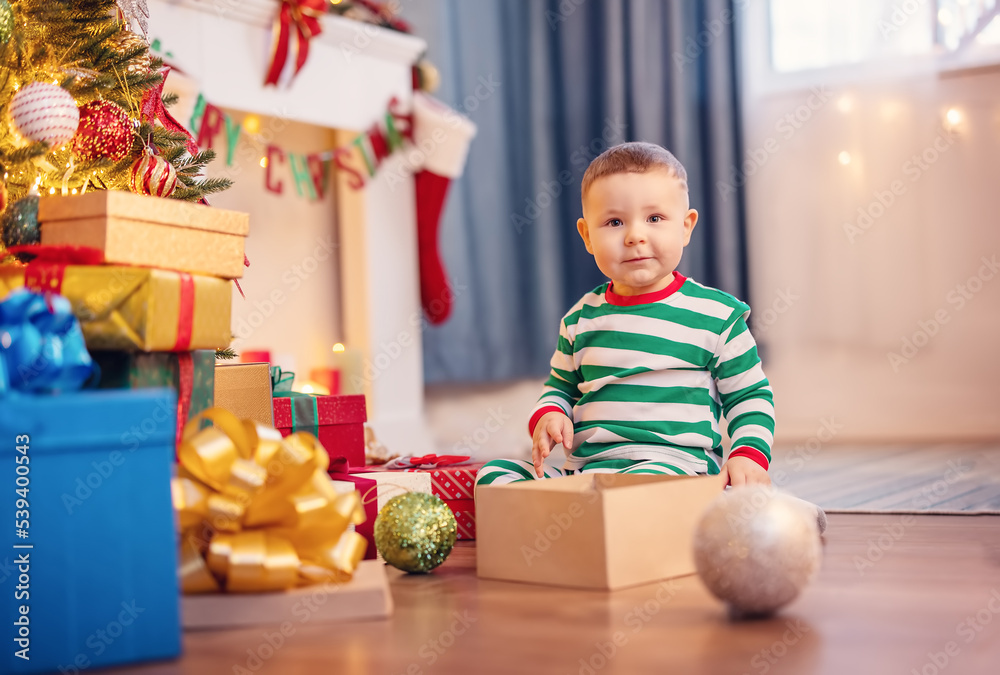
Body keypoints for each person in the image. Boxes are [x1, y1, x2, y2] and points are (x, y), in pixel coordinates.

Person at [477, 142, 774, 489]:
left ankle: (600, 522)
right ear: (587, 236)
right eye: (615, 222)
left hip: (675, 469)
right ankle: (581, 520)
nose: (635, 236)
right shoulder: (580, 319)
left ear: (686, 226)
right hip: (589, 473)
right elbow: (558, 388)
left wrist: (747, 455)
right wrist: (550, 414)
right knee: (493, 475)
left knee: (641, 487)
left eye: (655, 218)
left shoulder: (717, 315)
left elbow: (749, 396)